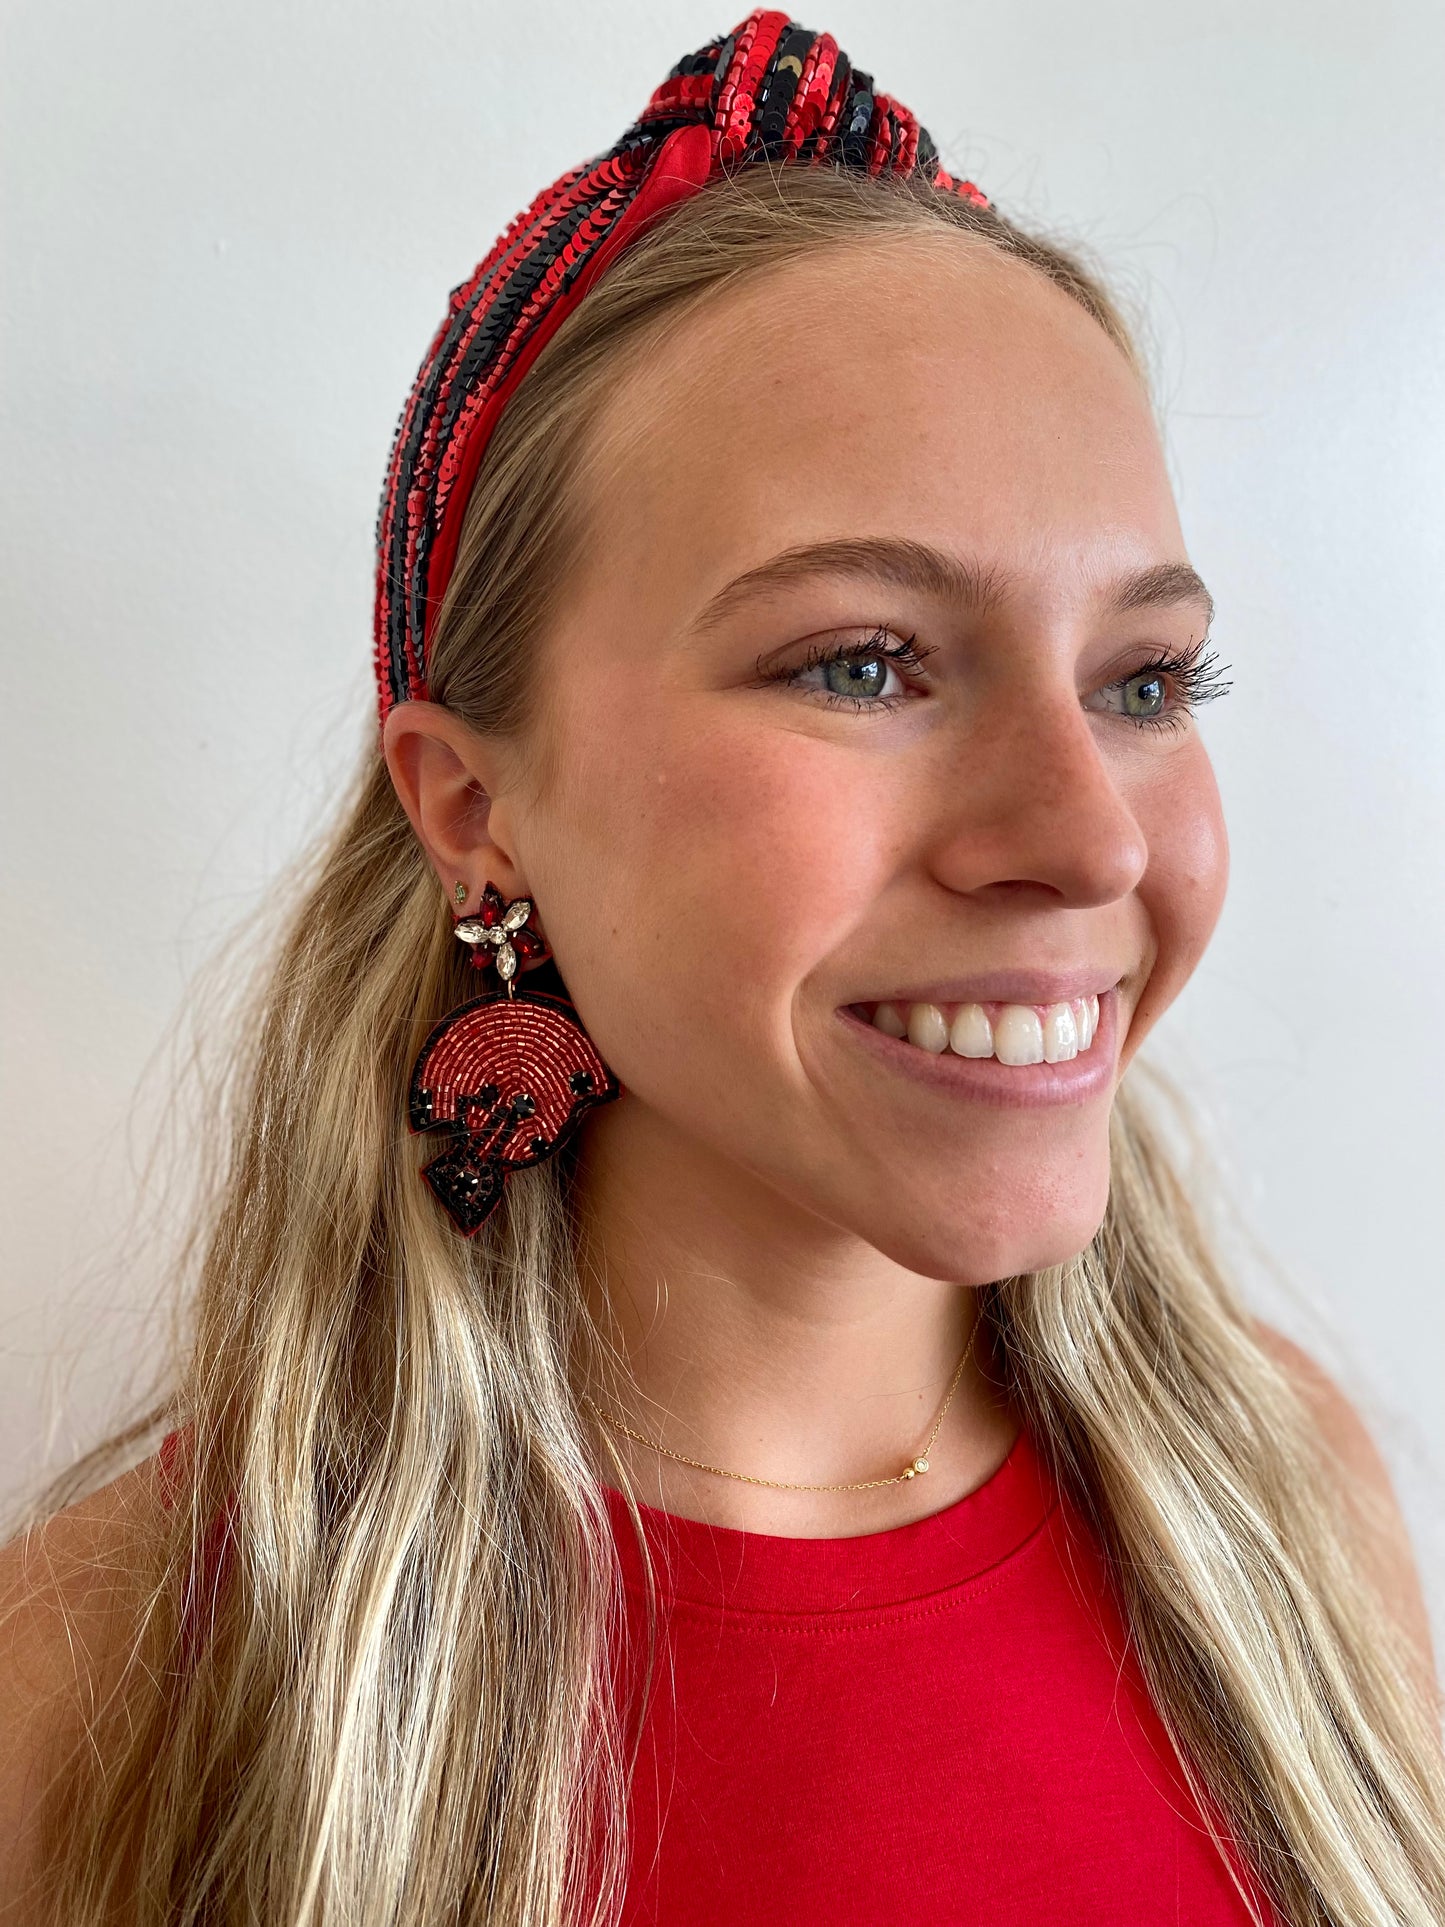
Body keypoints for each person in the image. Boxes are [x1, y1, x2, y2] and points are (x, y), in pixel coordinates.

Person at [2, 11, 1442, 1925]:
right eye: (861, 662)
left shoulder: (1279, 1501)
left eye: (1143, 683)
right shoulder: (105, 1690)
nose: (1091, 837)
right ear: (469, 809)